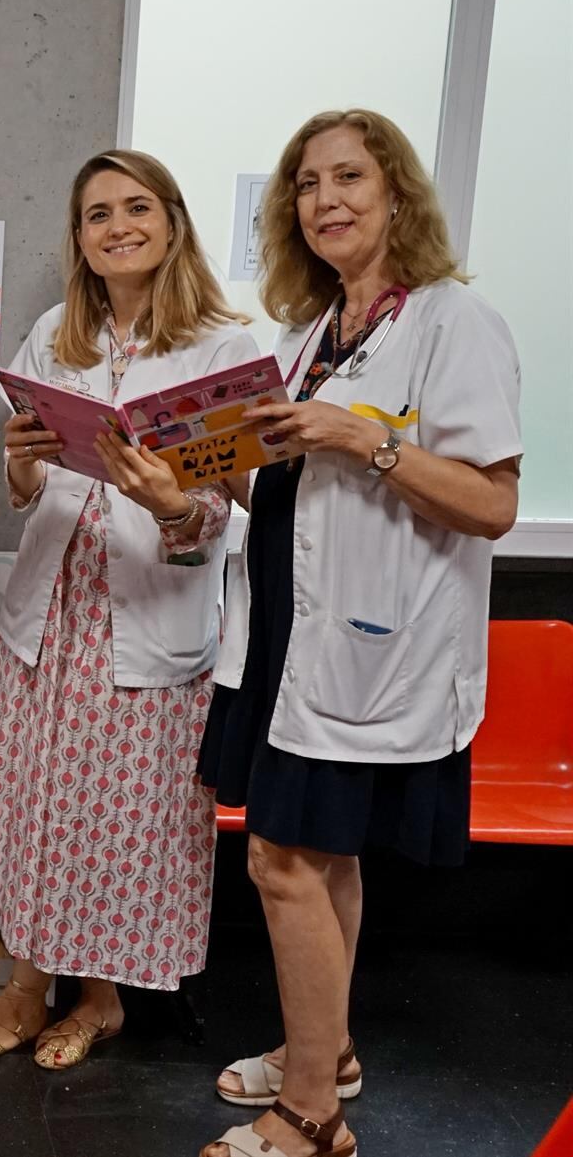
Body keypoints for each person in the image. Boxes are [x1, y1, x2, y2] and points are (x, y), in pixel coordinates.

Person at [198, 110, 522, 1157]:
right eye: (306, 184)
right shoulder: (310, 338)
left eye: (349, 177)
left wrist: (363, 440)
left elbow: (490, 503)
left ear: (396, 194)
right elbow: (292, 502)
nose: (326, 199)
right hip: (293, 636)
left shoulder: (450, 325)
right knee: (318, 860)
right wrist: (190, 479)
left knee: (282, 865)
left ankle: (308, 1115)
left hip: (379, 646)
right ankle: (325, 1051)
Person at [0, 150, 257, 1069]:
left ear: (173, 220)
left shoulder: (226, 348)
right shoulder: (53, 335)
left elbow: (227, 511)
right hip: (53, 617)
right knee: (36, 809)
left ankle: (99, 997)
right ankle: (29, 990)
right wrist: (24, 458)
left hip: (146, 618)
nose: (118, 226)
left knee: (121, 825)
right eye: (97, 214)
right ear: (78, 238)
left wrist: (166, 501)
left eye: (137, 207)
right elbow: (27, 489)